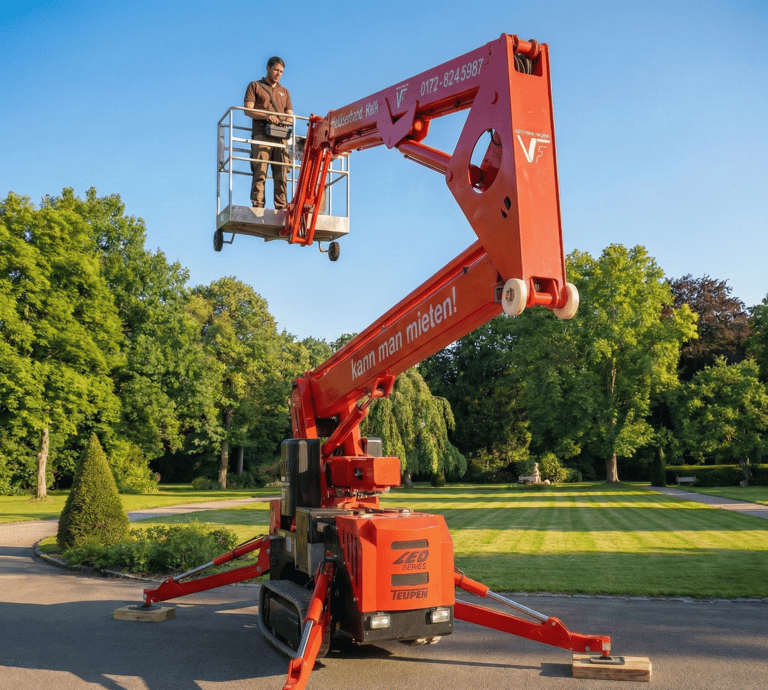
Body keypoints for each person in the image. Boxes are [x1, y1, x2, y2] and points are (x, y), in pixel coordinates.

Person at [244, 56, 293, 209]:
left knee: (282, 175)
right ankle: (258, 206)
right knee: (260, 172)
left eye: (281, 71)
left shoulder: (284, 91)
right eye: (276, 70)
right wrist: (267, 116)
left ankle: (281, 207)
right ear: (267, 68)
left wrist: (285, 121)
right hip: (262, 135)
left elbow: (290, 116)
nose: (278, 74)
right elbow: (247, 110)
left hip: (280, 137)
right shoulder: (255, 86)